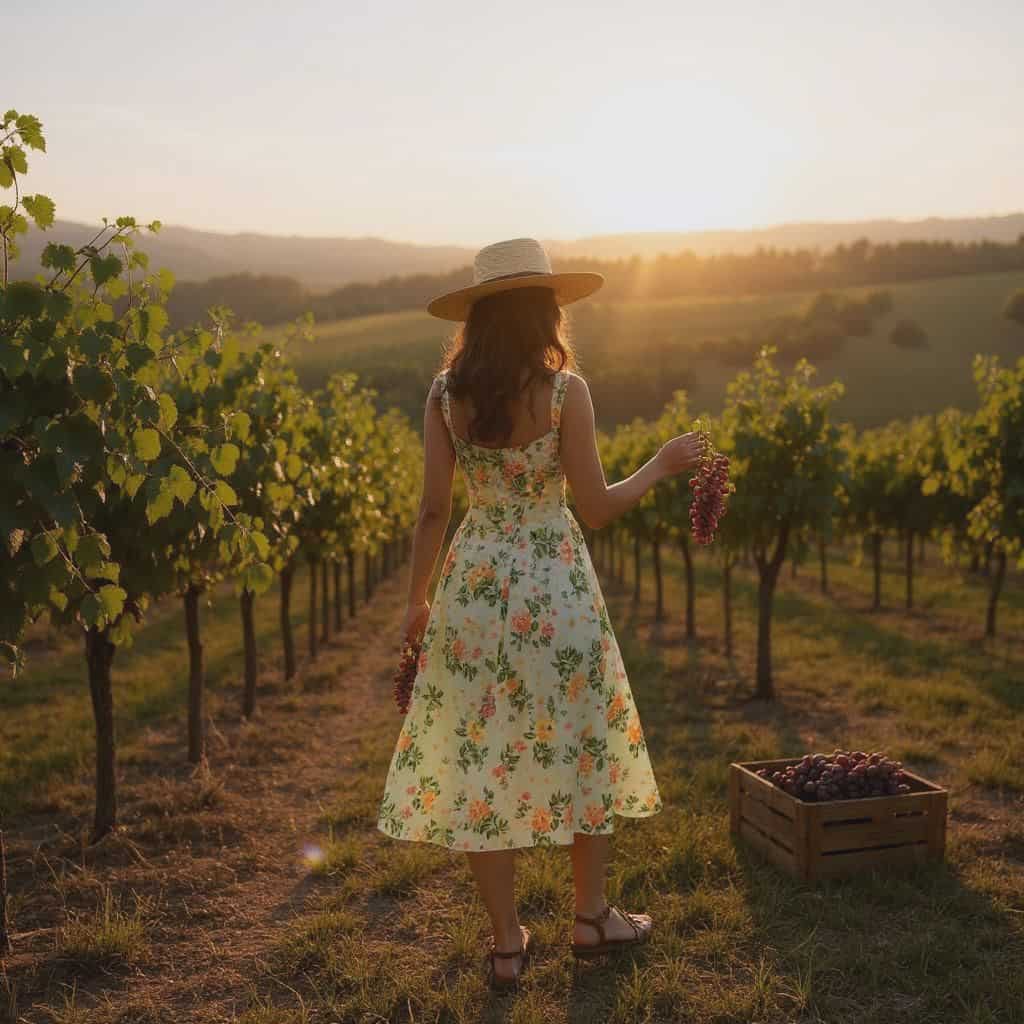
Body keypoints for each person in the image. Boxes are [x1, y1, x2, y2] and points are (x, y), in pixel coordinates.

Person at [376, 237, 704, 992]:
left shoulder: (442, 395)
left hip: (475, 588)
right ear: (543, 312)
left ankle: (504, 945)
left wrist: (417, 600)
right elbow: (594, 508)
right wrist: (658, 465)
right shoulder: (566, 392)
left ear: (480, 317)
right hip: (556, 588)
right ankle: (591, 919)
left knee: (480, 758)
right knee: (585, 739)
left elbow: (432, 510)